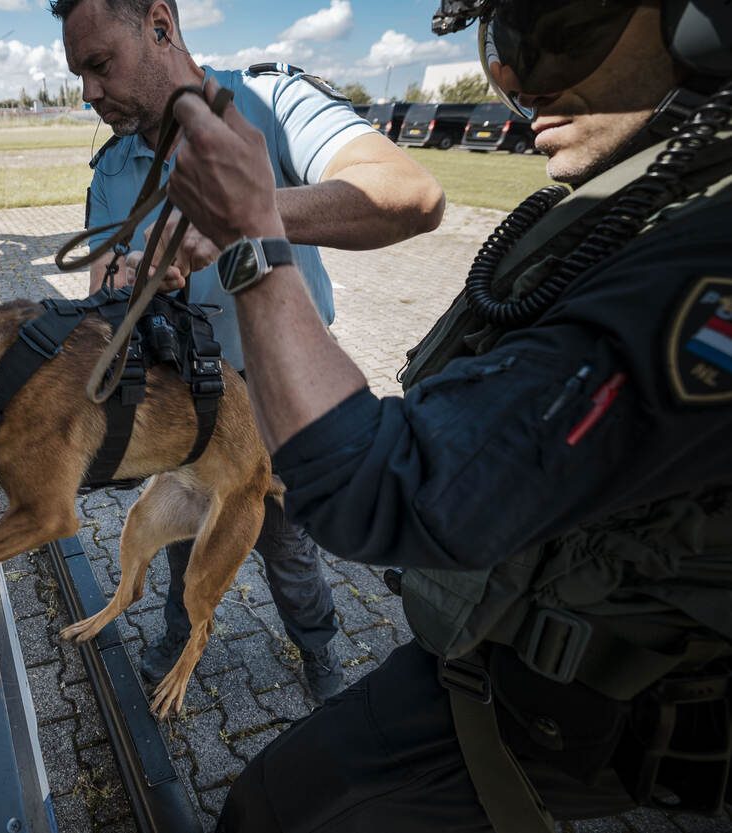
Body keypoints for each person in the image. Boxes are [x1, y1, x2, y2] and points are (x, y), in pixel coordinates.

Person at [146, 0, 732, 829]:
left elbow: (381, 489)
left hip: (568, 706)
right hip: (492, 642)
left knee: (270, 811)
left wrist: (251, 234)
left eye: (550, 28)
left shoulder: (703, 243)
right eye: (502, 40)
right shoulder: (644, 202)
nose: (506, 75)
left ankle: (318, 659)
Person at [51, 0, 446, 703]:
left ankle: (319, 647)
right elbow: (100, 283)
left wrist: (248, 214)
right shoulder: (114, 169)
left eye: (100, 65)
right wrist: (130, 274)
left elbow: (411, 194)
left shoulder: (270, 103)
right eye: (78, 73)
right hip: (192, 408)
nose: (88, 92)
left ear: (160, 24)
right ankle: (179, 630)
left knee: (289, 550)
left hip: (281, 400)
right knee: (182, 545)